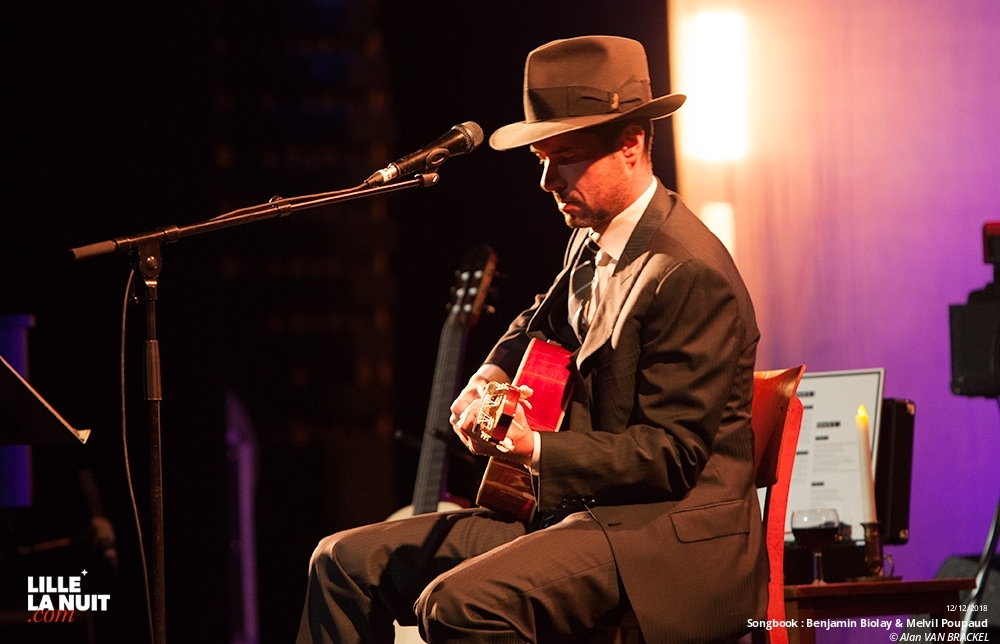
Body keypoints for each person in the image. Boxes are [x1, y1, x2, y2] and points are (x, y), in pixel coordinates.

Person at [296, 35, 766, 644]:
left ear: (631, 144)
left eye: (564, 157)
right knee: (340, 562)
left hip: (664, 541)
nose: (546, 180)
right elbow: (537, 323)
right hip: (581, 513)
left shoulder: (688, 271)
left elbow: (670, 454)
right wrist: (487, 381)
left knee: (459, 605)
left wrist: (534, 447)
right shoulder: (593, 236)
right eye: (540, 158)